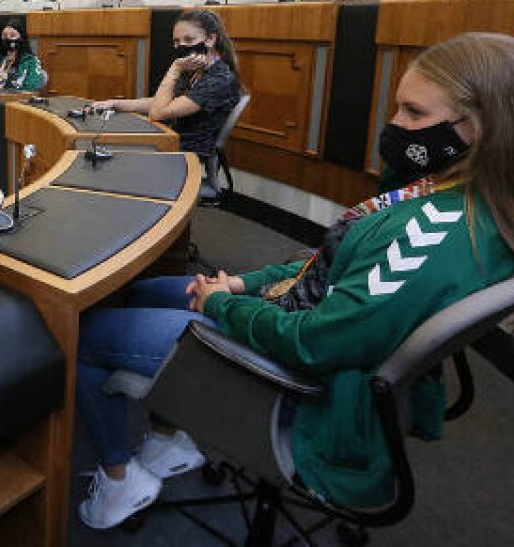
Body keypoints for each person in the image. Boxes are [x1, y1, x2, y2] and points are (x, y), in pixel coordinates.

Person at [75, 32, 514, 530]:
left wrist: (221, 306)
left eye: (414, 114)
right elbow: (331, 261)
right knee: (142, 292)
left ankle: (118, 485)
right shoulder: (452, 191)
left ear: (479, 127)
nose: (395, 126)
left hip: (307, 387)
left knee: (88, 332)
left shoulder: (432, 235)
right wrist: (242, 286)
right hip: (305, 322)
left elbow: (318, 343)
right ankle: (168, 439)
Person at [89, 9, 240, 156]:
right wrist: (115, 103)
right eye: (177, 41)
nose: (181, 46)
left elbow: (158, 113)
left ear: (210, 39)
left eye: (188, 40)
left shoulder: (219, 79)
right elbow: (161, 103)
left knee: (113, 151)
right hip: (170, 136)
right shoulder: (194, 68)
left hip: (187, 148)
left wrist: (175, 69)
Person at [0, 19, 49, 91]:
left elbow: (32, 87)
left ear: (21, 38)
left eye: (12, 35)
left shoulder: (31, 61)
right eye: (4, 36)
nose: (8, 38)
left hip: (17, 100)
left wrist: (8, 82)